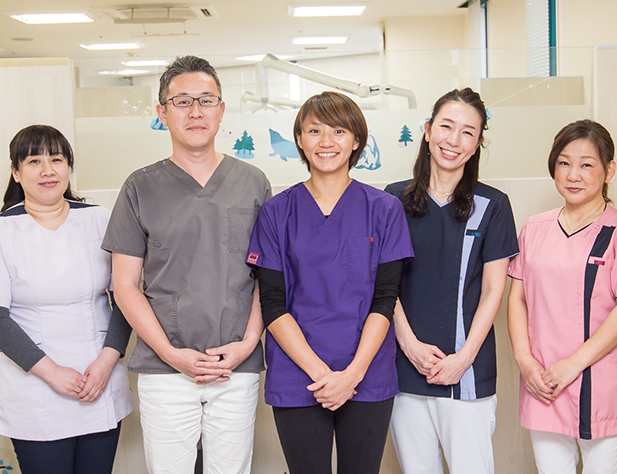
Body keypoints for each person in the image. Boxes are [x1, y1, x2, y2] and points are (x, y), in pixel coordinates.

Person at [101, 56, 271, 474]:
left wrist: (248, 344)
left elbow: (269, 277)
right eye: (182, 101)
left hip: (236, 364)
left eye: (206, 100)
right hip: (164, 369)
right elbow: (124, 286)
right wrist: (170, 354)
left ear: (221, 109)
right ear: (162, 112)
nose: (196, 111)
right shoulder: (139, 187)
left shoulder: (254, 183)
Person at [246, 91, 414, 474]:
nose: (326, 141)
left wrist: (352, 374)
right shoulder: (277, 212)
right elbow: (272, 302)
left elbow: (385, 297)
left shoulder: (384, 209)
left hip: (366, 371)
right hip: (298, 373)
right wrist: (323, 376)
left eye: (339, 131)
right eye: (314, 130)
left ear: (356, 141)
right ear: (300, 140)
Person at [0, 125, 133, 474]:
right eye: (34, 161)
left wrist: (106, 362)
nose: (48, 170)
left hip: (99, 378)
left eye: (57, 159)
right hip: (34, 386)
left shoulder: (99, 219)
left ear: (68, 166)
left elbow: (125, 297)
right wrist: (51, 373)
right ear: (16, 172)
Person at [385, 88, 518, 474]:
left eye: (467, 133)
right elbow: (384, 285)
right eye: (446, 126)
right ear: (427, 131)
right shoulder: (392, 201)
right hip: (405, 367)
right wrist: (409, 347)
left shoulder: (493, 205)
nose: (453, 140)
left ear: (477, 144)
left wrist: (464, 358)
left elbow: (495, 289)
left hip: (467, 370)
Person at [507, 119, 617, 474]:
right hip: (544, 384)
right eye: (564, 163)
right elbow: (518, 298)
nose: (573, 174)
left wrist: (572, 365)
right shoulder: (534, 228)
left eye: (587, 164)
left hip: (598, 386)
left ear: (609, 170)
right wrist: (525, 361)